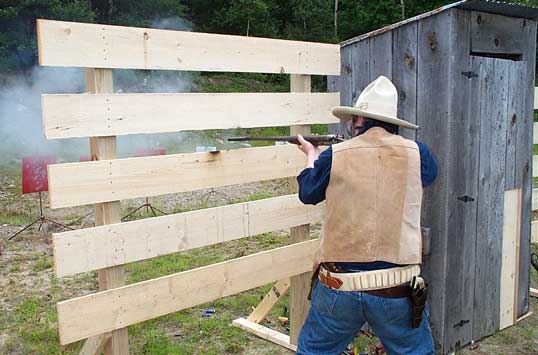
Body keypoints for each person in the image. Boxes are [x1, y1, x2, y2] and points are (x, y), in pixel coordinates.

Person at [295, 76, 438, 355]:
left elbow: (308, 193)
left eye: (353, 122)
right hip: (397, 287)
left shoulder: (335, 154)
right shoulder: (418, 153)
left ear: (359, 122)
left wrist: (312, 156)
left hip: (339, 287)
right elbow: (429, 175)